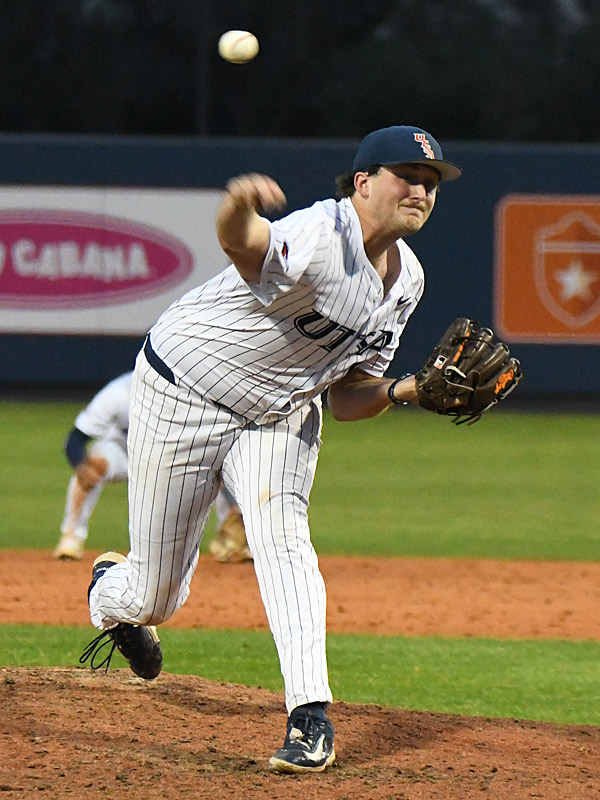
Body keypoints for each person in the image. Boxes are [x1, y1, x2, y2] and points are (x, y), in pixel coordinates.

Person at [81, 125, 462, 774]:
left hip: (279, 413)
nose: (421, 190)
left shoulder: (408, 282)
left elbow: (348, 396)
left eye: (430, 182)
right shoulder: (320, 233)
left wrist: (409, 390)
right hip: (186, 390)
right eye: (407, 176)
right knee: (156, 598)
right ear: (363, 183)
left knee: (284, 542)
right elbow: (242, 239)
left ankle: (309, 718)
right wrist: (237, 203)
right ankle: (109, 595)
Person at [54, 371, 249, 563]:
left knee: (219, 460)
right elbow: (76, 439)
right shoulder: (117, 394)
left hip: (170, 455)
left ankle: (234, 541)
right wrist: (81, 467)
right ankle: (71, 537)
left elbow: (213, 447)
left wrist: (233, 503)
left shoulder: (187, 395)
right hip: (124, 452)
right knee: (93, 464)